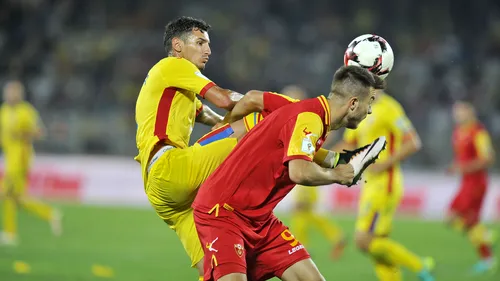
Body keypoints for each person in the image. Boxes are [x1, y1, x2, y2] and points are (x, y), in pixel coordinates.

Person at [193, 65, 387, 281]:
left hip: (260, 220)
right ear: (353, 104)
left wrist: (224, 126)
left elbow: (252, 98)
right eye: (369, 102)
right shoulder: (311, 120)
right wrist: (337, 176)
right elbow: (299, 171)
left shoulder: (302, 109)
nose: (369, 110)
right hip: (223, 212)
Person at [135, 16, 245, 278]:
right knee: (253, 128)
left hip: (160, 190)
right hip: (171, 168)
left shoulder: (173, 85)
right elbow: (222, 99)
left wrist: (223, 124)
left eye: (208, 44)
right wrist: (255, 101)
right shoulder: (174, 65)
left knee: (215, 270)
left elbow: (205, 114)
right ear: (178, 45)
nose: (208, 50)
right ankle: (316, 150)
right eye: (200, 42)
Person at [333, 83, 434, 281]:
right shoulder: (359, 109)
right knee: (376, 245)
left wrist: (384, 163)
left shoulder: (390, 108)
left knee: (363, 241)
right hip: (370, 183)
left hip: (385, 183)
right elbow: (349, 144)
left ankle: (420, 264)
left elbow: (413, 142)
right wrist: (319, 157)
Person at [280, 85, 347, 260]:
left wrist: (317, 146)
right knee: (305, 212)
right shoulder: (304, 118)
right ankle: (330, 238)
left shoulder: (308, 118)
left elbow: (326, 132)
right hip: (307, 165)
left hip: (308, 168)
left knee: (301, 209)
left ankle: (305, 245)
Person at [0, 80, 62, 246]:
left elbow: (39, 132)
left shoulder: (26, 111)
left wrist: (21, 134)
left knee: (7, 193)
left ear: (20, 94)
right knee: (16, 198)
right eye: (8, 92)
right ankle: (49, 213)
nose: (10, 95)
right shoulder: (4, 111)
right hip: (8, 157)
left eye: (14, 92)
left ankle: (10, 233)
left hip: (21, 158)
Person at [447, 100, 497, 274]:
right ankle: (486, 238)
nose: (457, 115)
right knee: (452, 218)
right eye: (456, 112)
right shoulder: (458, 132)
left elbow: (488, 158)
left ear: (470, 112)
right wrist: (456, 166)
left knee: (467, 220)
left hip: (476, 183)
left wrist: (465, 167)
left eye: (461, 111)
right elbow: (463, 159)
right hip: (465, 182)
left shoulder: (478, 132)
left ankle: (487, 258)